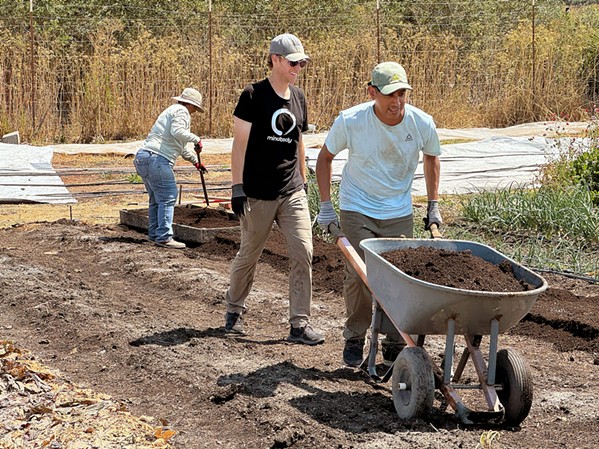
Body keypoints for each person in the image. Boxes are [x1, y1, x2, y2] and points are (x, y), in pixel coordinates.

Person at [315, 61, 442, 367]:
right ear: (372, 92)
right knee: (359, 276)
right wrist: (325, 207)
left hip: (398, 211)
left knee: (399, 279)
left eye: (402, 93)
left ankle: (396, 342)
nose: (397, 102)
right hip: (357, 206)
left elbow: (432, 158)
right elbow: (325, 158)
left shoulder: (421, 123)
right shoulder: (352, 120)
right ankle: (356, 337)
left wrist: (433, 204)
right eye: (389, 95)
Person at [223, 33, 324, 346]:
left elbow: (299, 142)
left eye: (302, 62)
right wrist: (237, 186)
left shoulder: (299, 97)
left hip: (291, 190)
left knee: (303, 252)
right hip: (257, 192)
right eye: (293, 62)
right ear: (275, 59)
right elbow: (239, 145)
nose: (298, 67)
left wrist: (304, 183)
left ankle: (299, 324)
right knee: (249, 254)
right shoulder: (253, 95)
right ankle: (234, 309)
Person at [133, 88, 207, 249]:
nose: (195, 112)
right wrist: (196, 139)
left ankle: (154, 234)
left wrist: (195, 162)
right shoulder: (182, 111)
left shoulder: (171, 111)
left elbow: (179, 145)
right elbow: (177, 132)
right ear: (191, 104)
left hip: (143, 157)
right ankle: (164, 236)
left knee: (156, 199)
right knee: (168, 196)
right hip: (157, 160)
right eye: (195, 108)